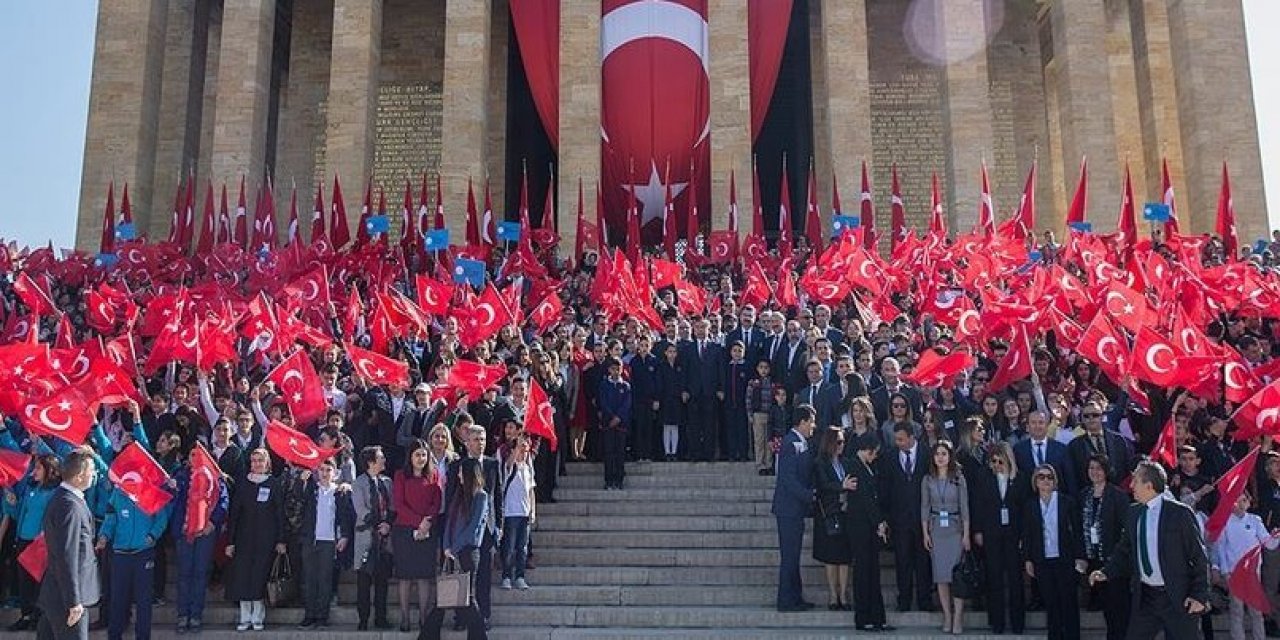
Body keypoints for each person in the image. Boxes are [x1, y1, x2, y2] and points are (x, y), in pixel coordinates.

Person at [1091, 460, 1211, 640]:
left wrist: (1199, 595)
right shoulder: (1134, 513)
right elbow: (1125, 550)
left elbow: (1198, 556)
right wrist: (1106, 572)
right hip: (1146, 598)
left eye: (1135, 481)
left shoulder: (1180, 513)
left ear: (1149, 486)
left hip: (1177, 598)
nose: (1131, 486)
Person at [421, 457, 490, 640]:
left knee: (467, 598)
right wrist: (446, 546)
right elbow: (449, 523)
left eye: (461, 472)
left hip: (467, 552)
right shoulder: (459, 496)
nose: (458, 475)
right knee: (446, 596)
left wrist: (455, 547)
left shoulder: (481, 496)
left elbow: (473, 528)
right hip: (451, 551)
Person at [36, 448, 99, 640]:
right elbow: (67, 555)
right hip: (66, 599)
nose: (94, 474)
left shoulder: (66, 499)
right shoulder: (69, 505)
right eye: (92, 470)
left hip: (59, 594)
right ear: (80, 475)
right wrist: (73, 601)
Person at [98, 478, 172, 640]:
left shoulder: (151, 493)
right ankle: (114, 635)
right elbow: (110, 519)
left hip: (143, 553)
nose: (128, 489)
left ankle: (143, 636)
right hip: (120, 554)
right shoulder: (117, 495)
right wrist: (104, 535)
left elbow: (162, 518)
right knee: (118, 597)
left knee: (143, 599)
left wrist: (152, 536)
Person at [168, 445, 229, 635]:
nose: (194, 458)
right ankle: (182, 615)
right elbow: (170, 497)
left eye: (198, 455)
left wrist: (213, 521)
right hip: (185, 532)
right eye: (192, 454)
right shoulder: (181, 476)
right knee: (184, 574)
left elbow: (224, 502)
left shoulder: (216, 478)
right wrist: (170, 486)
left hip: (205, 533)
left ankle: (196, 615)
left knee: (200, 573)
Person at [224, 448, 285, 632]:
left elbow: (279, 514)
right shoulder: (243, 484)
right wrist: (230, 541)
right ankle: (245, 617)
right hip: (244, 539)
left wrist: (281, 540)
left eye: (260, 460)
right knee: (243, 577)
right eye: (254, 460)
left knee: (259, 577)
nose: (257, 464)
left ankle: (258, 617)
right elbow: (234, 514)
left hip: (266, 540)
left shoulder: (273, 484)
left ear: (267, 463)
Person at [971, 441, 1029, 634]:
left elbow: (1024, 510)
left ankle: (1018, 622)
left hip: (1013, 534)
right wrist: (977, 530)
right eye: (993, 461)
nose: (996, 465)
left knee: (1015, 580)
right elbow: (977, 505)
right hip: (992, 533)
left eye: (1000, 461)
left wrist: (1023, 535)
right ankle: (997, 622)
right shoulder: (983, 477)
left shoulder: (1020, 479)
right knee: (994, 578)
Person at [1023, 463, 1086, 640]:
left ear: (1055, 480)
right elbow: (1027, 534)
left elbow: (1077, 531)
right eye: (1041, 477)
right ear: (1035, 481)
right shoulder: (1030, 505)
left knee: (1069, 603)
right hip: (1042, 560)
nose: (1045, 481)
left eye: (1049, 477)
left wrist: (1080, 557)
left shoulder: (1067, 502)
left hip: (1065, 559)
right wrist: (1028, 559)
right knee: (1051, 604)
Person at [296, 458, 355, 630]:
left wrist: (344, 536)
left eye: (328, 470)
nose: (324, 473)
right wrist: (302, 481)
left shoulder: (340, 492)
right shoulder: (311, 490)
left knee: (325, 580)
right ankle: (309, 615)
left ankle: (322, 615)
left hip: (329, 541)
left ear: (335, 473)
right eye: (321, 470)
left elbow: (345, 517)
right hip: (311, 540)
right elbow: (298, 497)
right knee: (309, 578)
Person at [392, 439, 444, 632]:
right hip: (404, 530)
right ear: (410, 457)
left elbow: (436, 502)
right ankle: (405, 619)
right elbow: (399, 504)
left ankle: (424, 618)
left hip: (428, 529)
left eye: (424, 455)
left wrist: (426, 522)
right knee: (405, 577)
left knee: (424, 577)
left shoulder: (434, 475)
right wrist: (418, 522)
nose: (421, 459)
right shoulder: (400, 476)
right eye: (417, 455)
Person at [880, 422, 931, 612]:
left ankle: (925, 600)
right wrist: (886, 517)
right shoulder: (890, 457)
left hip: (923, 519)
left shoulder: (927, 453)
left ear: (912, 437)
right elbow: (885, 488)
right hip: (900, 520)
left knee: (923, 561)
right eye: (896, 439)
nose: (898, 443)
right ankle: (904, 600)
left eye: (901, 439)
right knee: (902, 561)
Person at [1080, 453, 1131, 640]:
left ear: (1106, 471)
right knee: (1107, 610)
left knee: (1118, 611)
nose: (1095, 472)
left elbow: (1126, 531)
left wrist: (1116, 557)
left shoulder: (1118, 496)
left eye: (1099, 468)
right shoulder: (1084, 495)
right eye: (1091, 468)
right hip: (1094, 560)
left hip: (1115, 562)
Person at [5, 454, 59, 631]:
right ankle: (25, 615)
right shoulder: (31, 489)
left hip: (40, 544)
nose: (34, 471)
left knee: (39, 583)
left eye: (38, 468)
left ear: (48, 470)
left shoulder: (54, 492)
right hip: (23, 540)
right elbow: (21, 512)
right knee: (24, 581)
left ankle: (39, 617)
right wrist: (13, 504)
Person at [921, 440, 970, 634]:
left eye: (944, 454)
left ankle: (958, 617)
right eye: (937, 454)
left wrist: (966, 534)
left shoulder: (958, 478)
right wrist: (925, 533)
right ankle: (947, 616)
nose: (940, 457)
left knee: (956, 576)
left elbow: (965, 507)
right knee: (941, 576)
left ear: (950, 457)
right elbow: (924, 507)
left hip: (955, 528)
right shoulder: (927, 479)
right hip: (936, 529)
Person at [846, 432, 892, 631]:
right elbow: (865, 498)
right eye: (874, 453)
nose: (875, 457)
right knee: (863, 573)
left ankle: (877, 618)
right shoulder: (854, 466)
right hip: (860, 527)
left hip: (868, 527)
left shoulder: (866, 467)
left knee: (872, 572)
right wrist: (879, 521)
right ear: (868, 450)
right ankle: (863, 617)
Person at [772, 404, 816, 612]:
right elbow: (788, 478)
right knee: (789, 556)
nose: (813, 427)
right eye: (811, 422)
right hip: (788, 509)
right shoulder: (791, 443)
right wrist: (809, 496)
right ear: (803, 421)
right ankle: (786, 600)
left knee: (794, 555)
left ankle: (796, 597)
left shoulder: (801, 442)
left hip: (795, 509)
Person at [1216, 491, 1277, 640]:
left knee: (1256, 610)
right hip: (1234, 573)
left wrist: (1275, 536)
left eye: (1243, 500)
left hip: (1252, 573)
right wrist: (1224, 571)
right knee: (1237, 610)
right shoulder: (1225, 523)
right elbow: (1221, 549)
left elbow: (1268, 543)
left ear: (1248, 503)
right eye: (1236, 501)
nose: (1240, 504)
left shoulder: (1255, 520)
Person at [352, 445, 394, 631]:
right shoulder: (359, 483)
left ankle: (381, 617)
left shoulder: (387, 482)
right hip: (366, 538)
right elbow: (361, 510)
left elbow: (393, 506)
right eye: (381, 457)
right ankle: (363, 619)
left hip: (384, 540)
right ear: (370, 462)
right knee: (363, 582)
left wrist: (388, 524)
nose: (384, 460)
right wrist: (377, 525)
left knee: (382, 582)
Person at [811, 426, 852, 610]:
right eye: (839, 442)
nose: (841, 445)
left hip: (845, 512)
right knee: (831, 557)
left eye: (843, 442)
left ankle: (843, 594)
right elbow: (823, 485)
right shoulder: (821, 462)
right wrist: (842, 486)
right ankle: (833, 595)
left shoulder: (845, 462)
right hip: (829, 513)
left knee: (844, 557)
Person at [499, 435, 536, 590]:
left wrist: (533, 511)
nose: (523, 453)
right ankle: (506, 576)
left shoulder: (528, 468)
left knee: (523, 548)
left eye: (526, 450)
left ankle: (520, 576)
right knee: (509, 547)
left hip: (524, 513)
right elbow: (509, 463)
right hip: (510, 513)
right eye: (521, 449)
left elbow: (531, 491)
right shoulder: (510, 467)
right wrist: (518, 445)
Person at [597, 358, 632, 489]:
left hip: (621, 425)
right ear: (609, 370)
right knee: (609, 453)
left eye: (618, 369)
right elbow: (603, 403)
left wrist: (618, 417)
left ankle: (619, 480)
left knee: (620, 453)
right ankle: (609, 480)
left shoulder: (626, 385)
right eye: (613, 369)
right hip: (608, 424)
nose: (616, 371)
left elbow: (627, 404)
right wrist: (611, 416)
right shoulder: (604, 385)